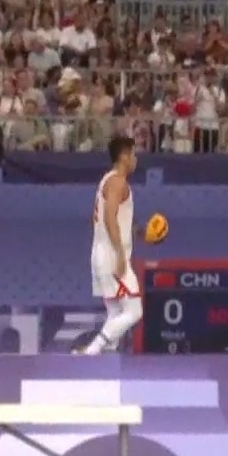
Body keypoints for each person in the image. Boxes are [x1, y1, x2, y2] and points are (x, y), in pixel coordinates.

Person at [79, 135, 143, 355]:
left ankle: (104, 355)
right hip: (112, 255)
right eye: (133, 154)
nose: (135, 159)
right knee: (134, 311)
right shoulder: (117, 182)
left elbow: (101, 219)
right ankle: (93, 350)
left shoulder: (106, 181)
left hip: (101, 252)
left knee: (115, 313)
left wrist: (139, 232)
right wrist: (119, 254)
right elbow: (109, 217)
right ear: (124, 156)